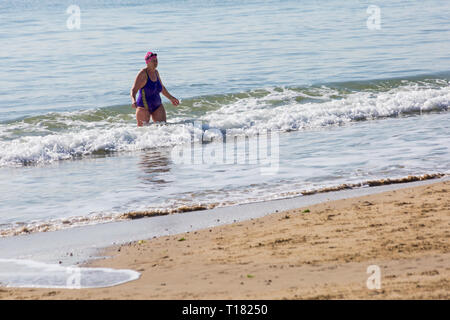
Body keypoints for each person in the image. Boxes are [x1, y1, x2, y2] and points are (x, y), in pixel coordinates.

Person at [130, 51, 179, 126]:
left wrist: (171, 98)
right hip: (143, 108)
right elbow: (133, 90)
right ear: (147, 62)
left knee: (163, 128)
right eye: (153, 61)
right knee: (142, 132)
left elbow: (161, 88)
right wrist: (133, 100)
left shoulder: (156, 72)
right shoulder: (143, 74)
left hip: (157, 106)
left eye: (156, 61)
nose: (155, 63)